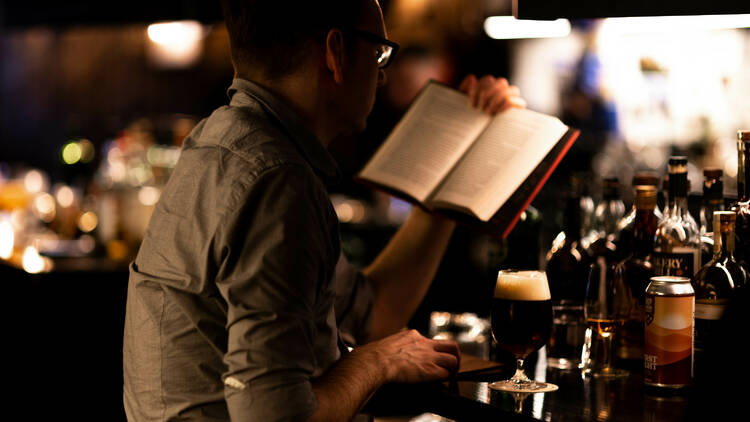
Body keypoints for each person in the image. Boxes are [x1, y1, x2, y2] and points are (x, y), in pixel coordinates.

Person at [122, 1, 525, 421]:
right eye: (377, 53)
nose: (382, 73)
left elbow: (371, 315)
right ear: (335, 53)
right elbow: (275, 416)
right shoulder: (278, 183)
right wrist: (376, 362)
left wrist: (461, 165)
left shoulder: (218, 144)